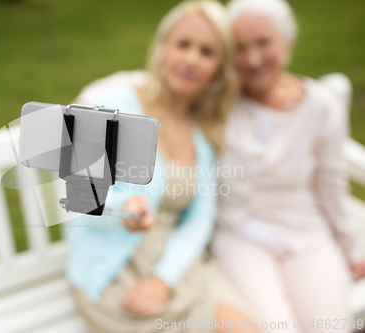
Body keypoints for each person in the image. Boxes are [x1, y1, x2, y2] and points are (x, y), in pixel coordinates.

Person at [64, 1, 258, 332]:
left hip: (178, 262)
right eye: (183, 45)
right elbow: (80, 203)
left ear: (219, 66)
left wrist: (164, 278)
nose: (191, 59)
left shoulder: (203, 128)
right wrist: (124, 210)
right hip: (113, 268)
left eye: (207, 52)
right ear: (164, 47)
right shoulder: (108, 105)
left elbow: (200, 217)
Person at [210, 0, 365, 332]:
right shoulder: (219, 101)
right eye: (239, 48)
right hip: (241, 234)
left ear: (286, 42)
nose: (252, 59)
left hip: (306, 231)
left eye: (263, 43)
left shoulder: (321, 106)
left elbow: (331, 182)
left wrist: (353, 248)